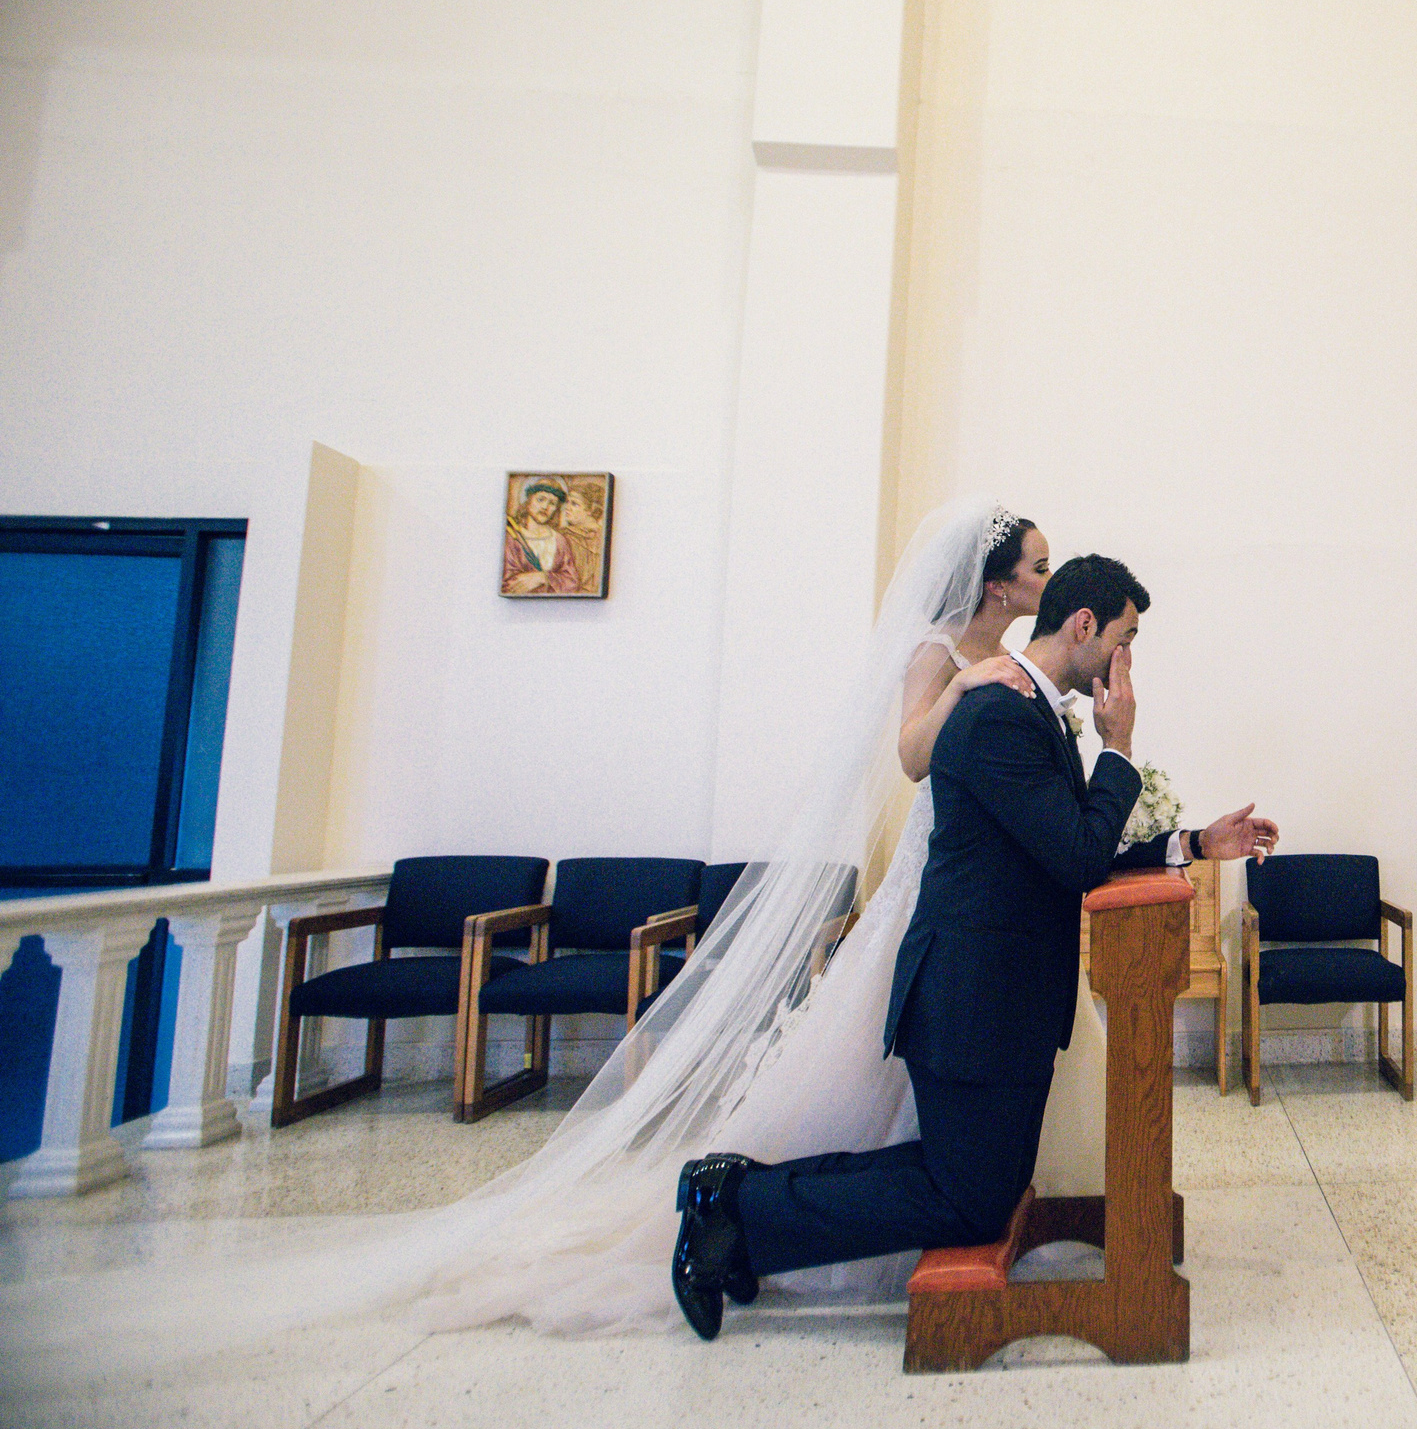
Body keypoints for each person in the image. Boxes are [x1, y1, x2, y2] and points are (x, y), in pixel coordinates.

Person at [0, 498, 1101, 1359]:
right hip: (940, 887)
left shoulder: (1020, 670)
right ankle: (762, 1202)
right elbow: (908, 756)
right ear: (997, 578)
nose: (1045, 580)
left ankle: (869, 1206)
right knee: (895, 1072)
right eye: (1037, 564)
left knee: (922, 1092)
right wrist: (968, 693)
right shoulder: (943, 653)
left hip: (972, 894)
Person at [667, 555, 1280, 1340]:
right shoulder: (998, 715)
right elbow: (1076, 854)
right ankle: (734, 1204)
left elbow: (1064, 842)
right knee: (968, 1198)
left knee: (975, 1184)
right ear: (1084, 625)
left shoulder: (1032, 711)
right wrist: (1119, 745)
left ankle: (736, 1202)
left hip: (1002, 996)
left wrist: (1193, 843)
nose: (1127, 660)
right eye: (1125, 639)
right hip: (972, 996)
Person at [501, 479, 582, 595]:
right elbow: (507, 584)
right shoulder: (513, 538)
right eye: (540, 499)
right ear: (528, 500)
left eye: (552, 503)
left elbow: (572, 582)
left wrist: (543, 578)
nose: (545, 507)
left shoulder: (559, 540)